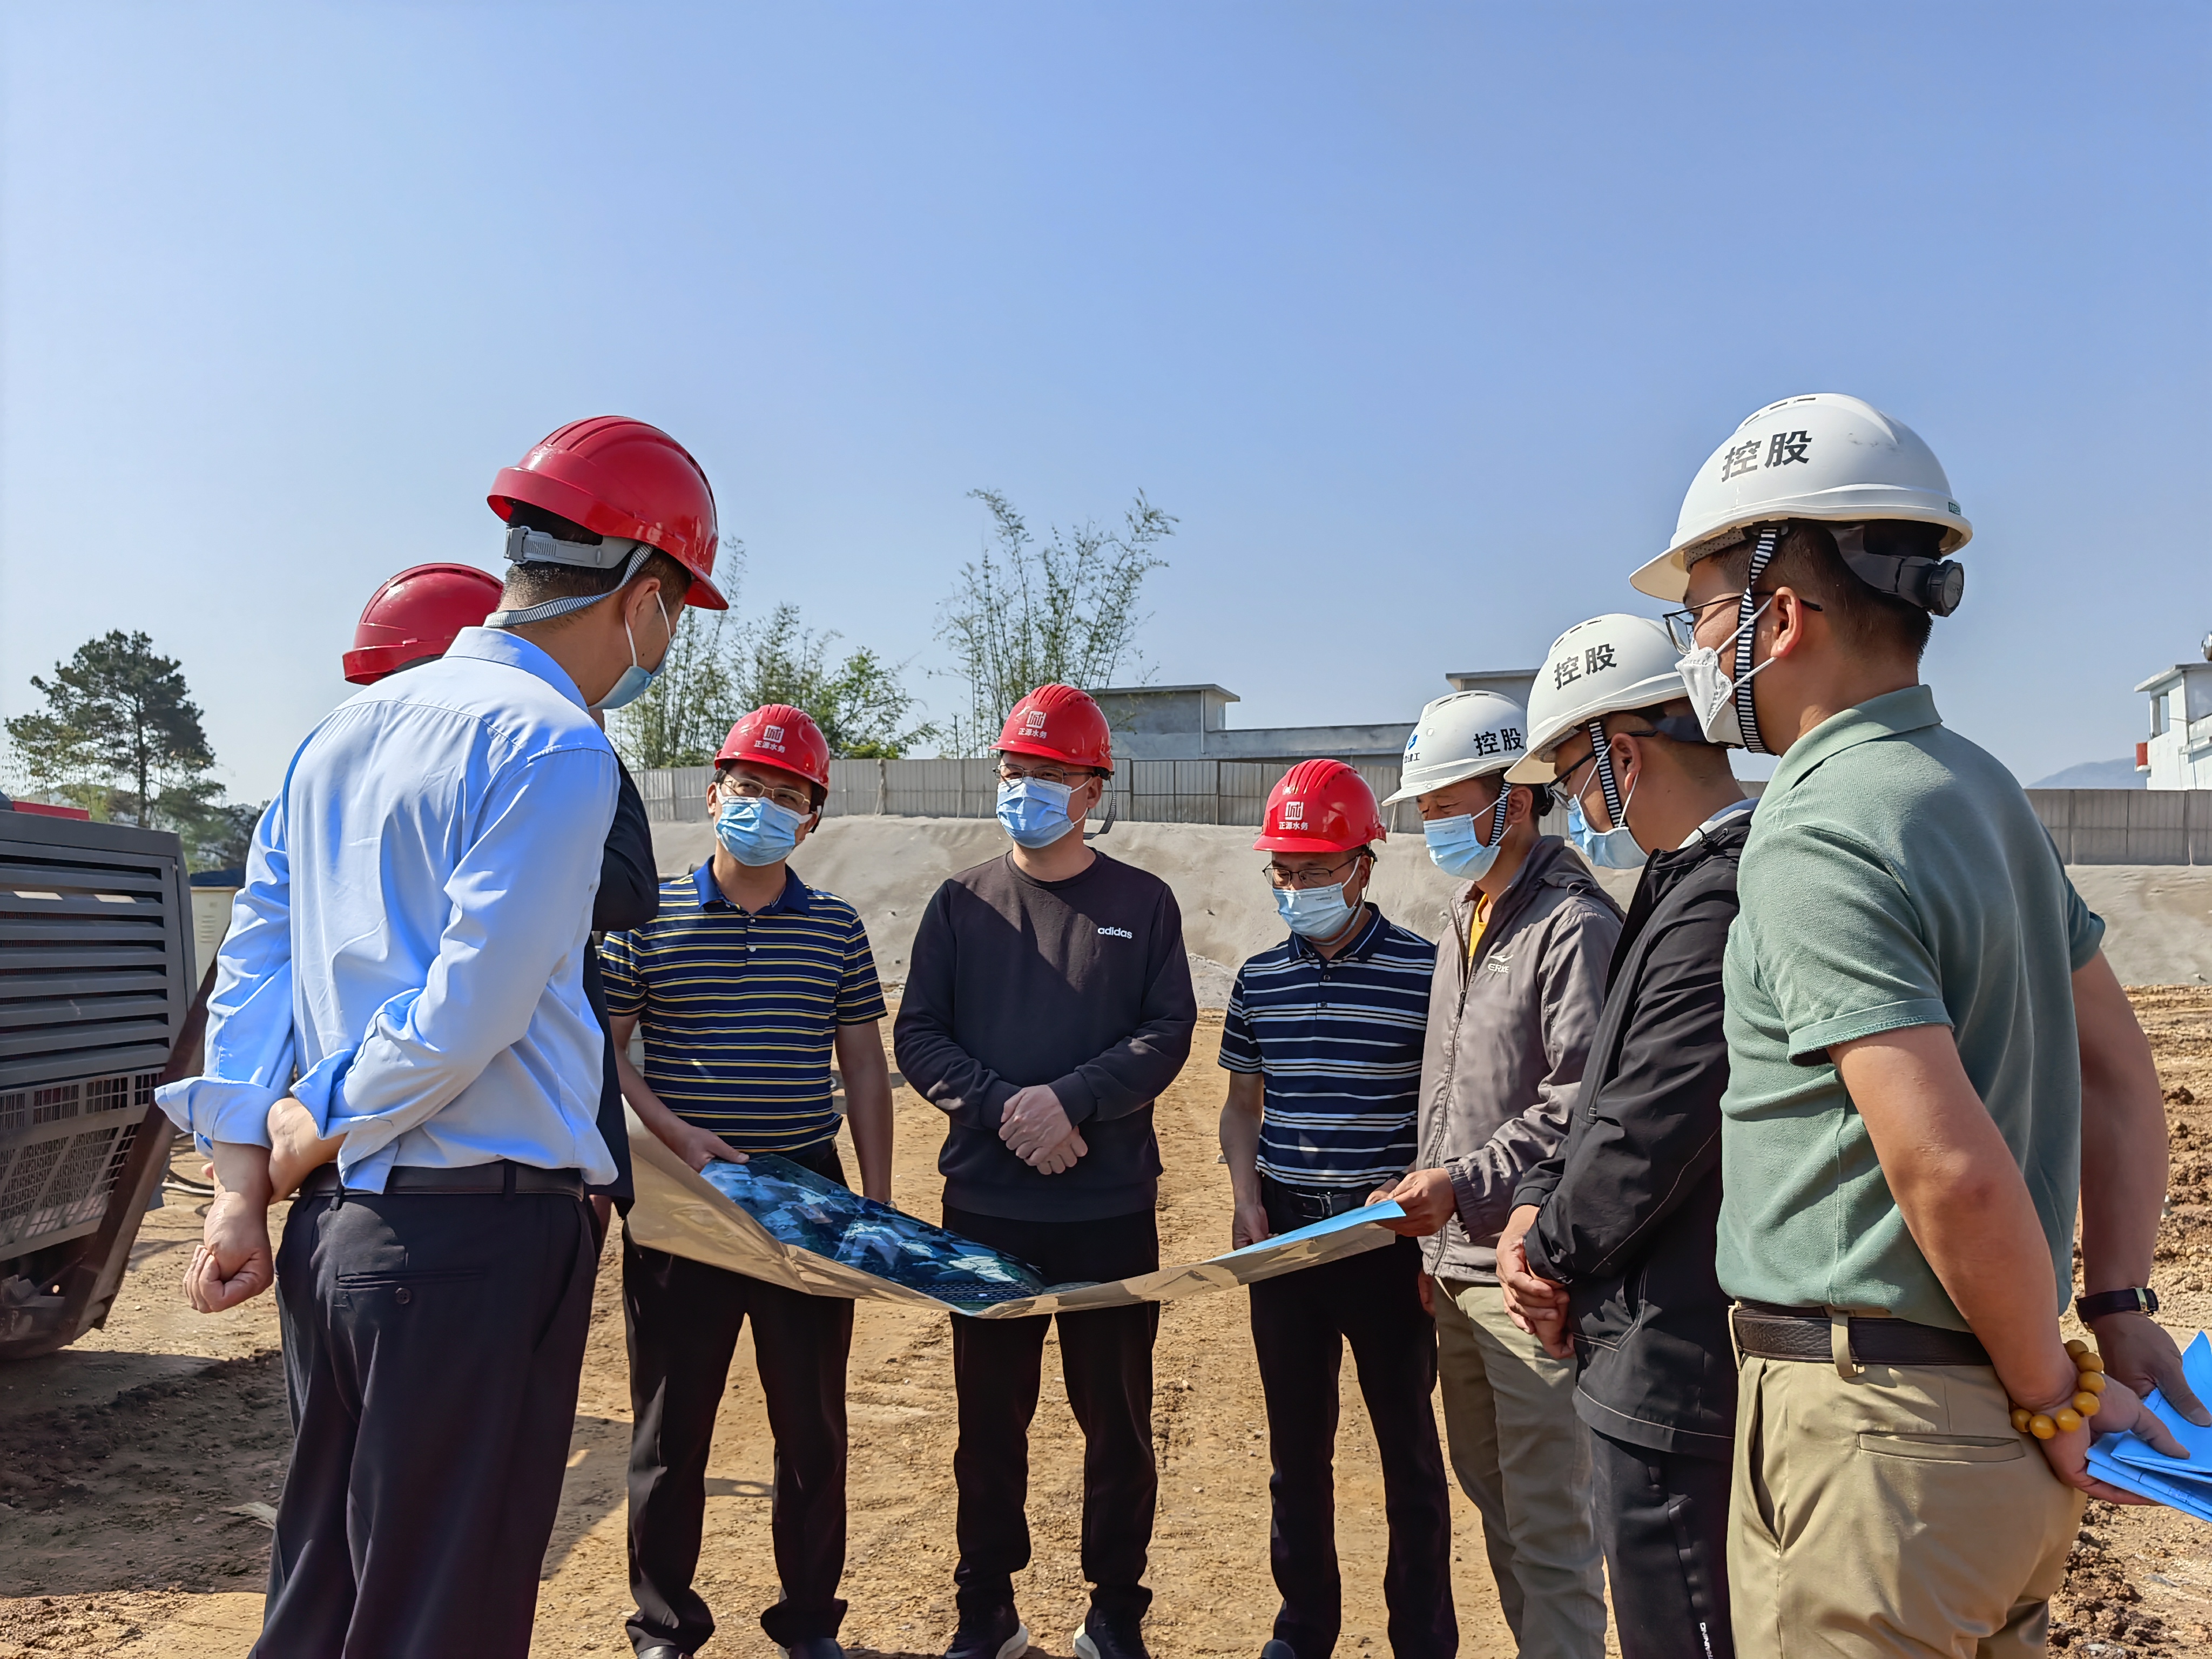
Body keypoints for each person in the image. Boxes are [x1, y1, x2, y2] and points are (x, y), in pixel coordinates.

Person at [1636, 392, 2197, 1654]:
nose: (1696, 646)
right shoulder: (1980, 790)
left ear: (1780, 619)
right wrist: (2111, 1304)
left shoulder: (1816, 823)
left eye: (1705, 609)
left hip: (1877, 1449)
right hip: (1987, 1459)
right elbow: (2117, 1069)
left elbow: (1945, 1167)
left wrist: (2055, 1394)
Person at [158, 415, 725, 1657]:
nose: (664, 642)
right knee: (440, 1614)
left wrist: (241, 1185)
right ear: (643, 595)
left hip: (336, 1240)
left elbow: (252, 971)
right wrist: (312, 1123)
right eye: (677, 611)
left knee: (326, 1592)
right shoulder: (553, 743)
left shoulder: (334, 737)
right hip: (474, 1233)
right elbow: (470, 1009)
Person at [893, 683, 1197, 1659]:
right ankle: (985, 1609)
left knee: (1117, 1423)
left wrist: (1073, 1100)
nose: (1024, 788)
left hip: (1108, 1209)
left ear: (1093, 789)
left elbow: (1168, 1031)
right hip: (987, 1207)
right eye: (1014, 770)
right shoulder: (961, 903)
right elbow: (919, 1035)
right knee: (988, 1425)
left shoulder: (1142, 904)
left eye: (1048, 774)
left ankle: (1115, 1611)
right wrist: (1004, 1109)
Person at [601, 704, 895, 1659]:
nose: (763, 807)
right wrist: (675, 1134)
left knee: (811, 1425)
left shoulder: (836, 928)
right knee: (671, 1426)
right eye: (749, 787)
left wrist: (873, 1200)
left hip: (806, 1193)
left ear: (812, 820)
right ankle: (664, 1624)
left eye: (786, 797)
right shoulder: (645, 917)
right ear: (711, 793)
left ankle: (809, 1621)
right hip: (684, 1197)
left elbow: (862, 1065)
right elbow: (604, 1053)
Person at [1485, 614, 1751, 1659]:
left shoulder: (1721, 895)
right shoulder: (1677, 883)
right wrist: (1531, 1202)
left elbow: (1653, 1125)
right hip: (1641, 1339)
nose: (1578, 808)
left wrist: (1546, 1255)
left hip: (1674, 1356)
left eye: (1571, 779)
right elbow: (1603, 1088)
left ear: (1623, 758)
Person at [1373, 689, 1618, 1659]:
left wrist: (1462, 1186)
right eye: (1426, 809)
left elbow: (1579, 1103)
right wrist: (1429, 1224)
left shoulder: (1571, 926)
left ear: (1512, 802)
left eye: (1445, 806)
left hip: (1528, 1277)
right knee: (1498, 1505)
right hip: (1455, 1269)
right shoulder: (1464, 920)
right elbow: (1451, 1093)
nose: (1432, 826)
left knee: (1551, 1525)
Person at [340, 561, 659, 1249]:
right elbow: (630, 890)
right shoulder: (541, 758)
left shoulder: (340, 782)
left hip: (355, 1186)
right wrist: (581, 729)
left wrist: (293, 1138)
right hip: (476, 1184)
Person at [1218, 760, 1456, 1659]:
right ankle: (1302, 1627)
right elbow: (1242, 1107)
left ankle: (1422, 1637)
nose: (1297, 889)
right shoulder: (1259, 980)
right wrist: (1246, 1197)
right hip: (1285, 1234)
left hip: (1385, 1238)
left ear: (1363, 865)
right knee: (1297, 1451)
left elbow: (1448, 1108)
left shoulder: (1426, 973)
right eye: (1283, 872)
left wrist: (1424, 1204)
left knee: (1408, 1451)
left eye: (1316, 870)